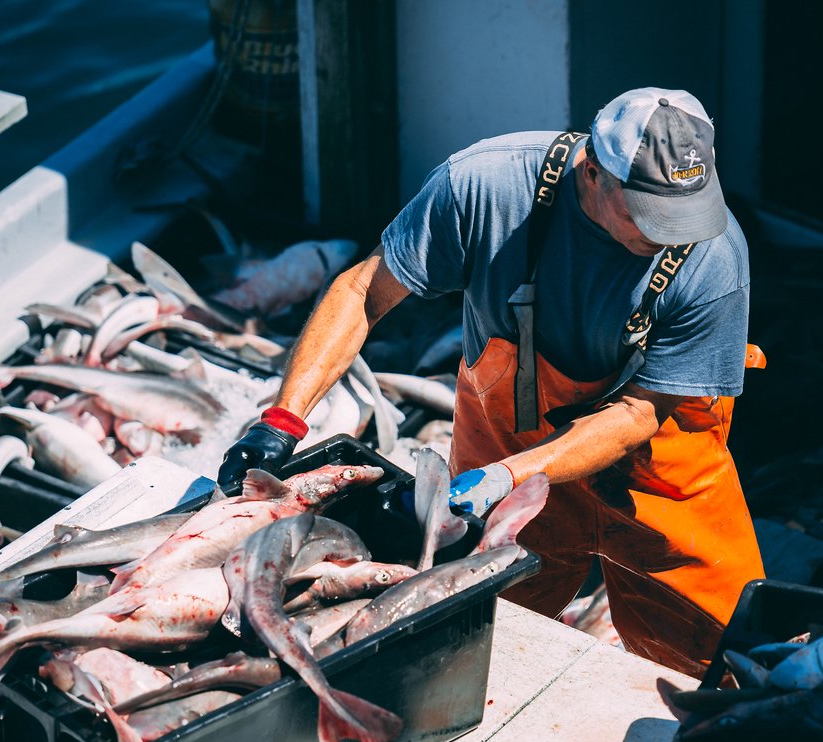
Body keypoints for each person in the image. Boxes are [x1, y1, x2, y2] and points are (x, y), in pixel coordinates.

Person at [217, 87, 765, 678]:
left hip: (658, 471)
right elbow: (362, 292)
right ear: (593, 174)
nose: (669, 235)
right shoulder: (484, 187)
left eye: (683, 215)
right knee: (475, 650)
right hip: (505, 438)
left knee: (722, 663)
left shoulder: (715, 257)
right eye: (647, 216)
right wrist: (283, 418)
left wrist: (513, 478)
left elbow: (637, 414)